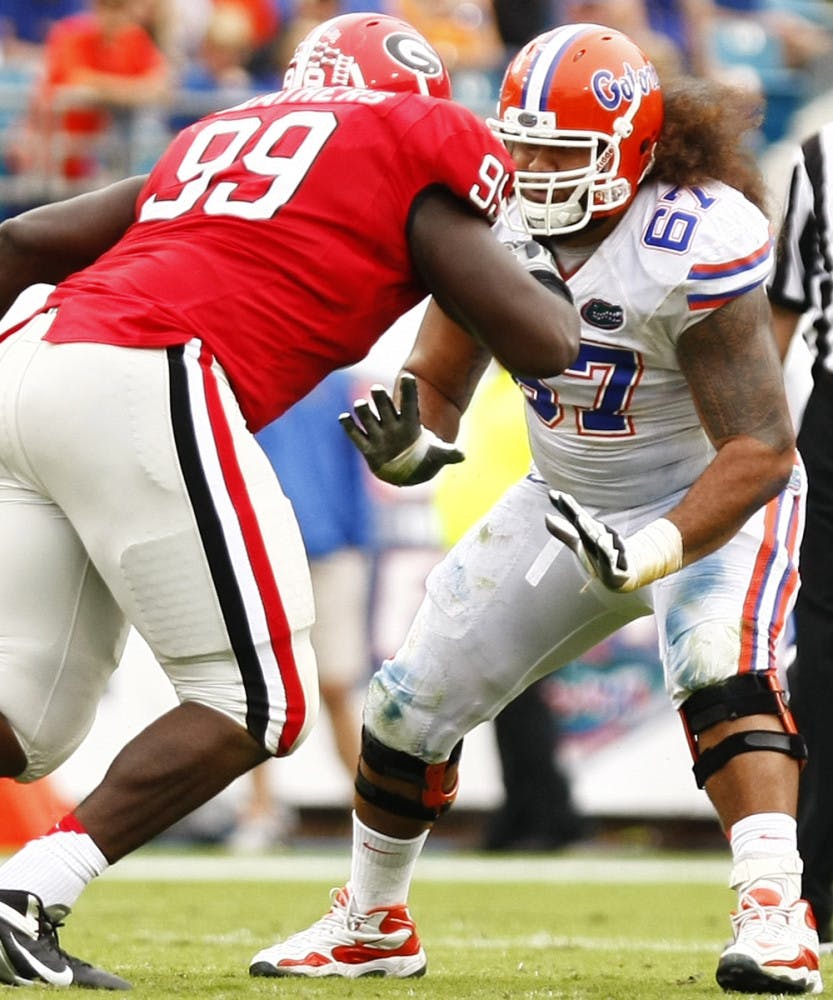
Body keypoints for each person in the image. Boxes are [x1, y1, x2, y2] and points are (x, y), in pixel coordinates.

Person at [0, 10, 580, 990]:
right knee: (257, 702)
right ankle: (26, 897)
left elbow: (21, 236)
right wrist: (529, 257)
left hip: (30, 360)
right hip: (146, 369)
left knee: (26, 723)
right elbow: (545, 343)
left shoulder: (216, 136)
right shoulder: (411, 136)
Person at [249, 22, 821, 996]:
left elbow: (760, 447)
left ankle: (774, 920)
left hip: (708, 494)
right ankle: (371, 921)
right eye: (525, 145)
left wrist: (654, 545)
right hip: (564, 495)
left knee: (717, 667)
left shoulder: (694, 233)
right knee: (408, 700)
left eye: (566, 151)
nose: (537, 171)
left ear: (632, 147)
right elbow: (435, 381)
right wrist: (412, 447)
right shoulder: (495, 219)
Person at [229, 369, 376, 850]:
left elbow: (356, 465)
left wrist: (358, 538)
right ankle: (261, 809)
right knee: (259, 688)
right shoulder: (245, 371)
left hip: (331, 548)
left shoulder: (338, 383)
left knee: (336, 684)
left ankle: (371, 811)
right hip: (262, 547)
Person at [768, 122, 833, 950]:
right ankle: (813, 882)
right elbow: (781, 306)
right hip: (828, 414)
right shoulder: (819, 157)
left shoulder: (820, 153)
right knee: (818, 657)